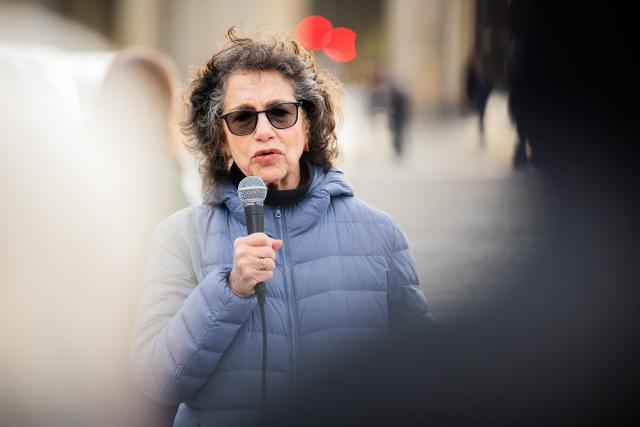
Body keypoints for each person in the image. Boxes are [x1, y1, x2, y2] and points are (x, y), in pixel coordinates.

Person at [130, 28, 432, 427]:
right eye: (242, 118)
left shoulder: (379, 234)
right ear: (221, 141)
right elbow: (157, 379)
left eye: (280, 113)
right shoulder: (179, 237)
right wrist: (228, 290)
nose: (264, 131)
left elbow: (423, 371)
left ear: (307, 126)